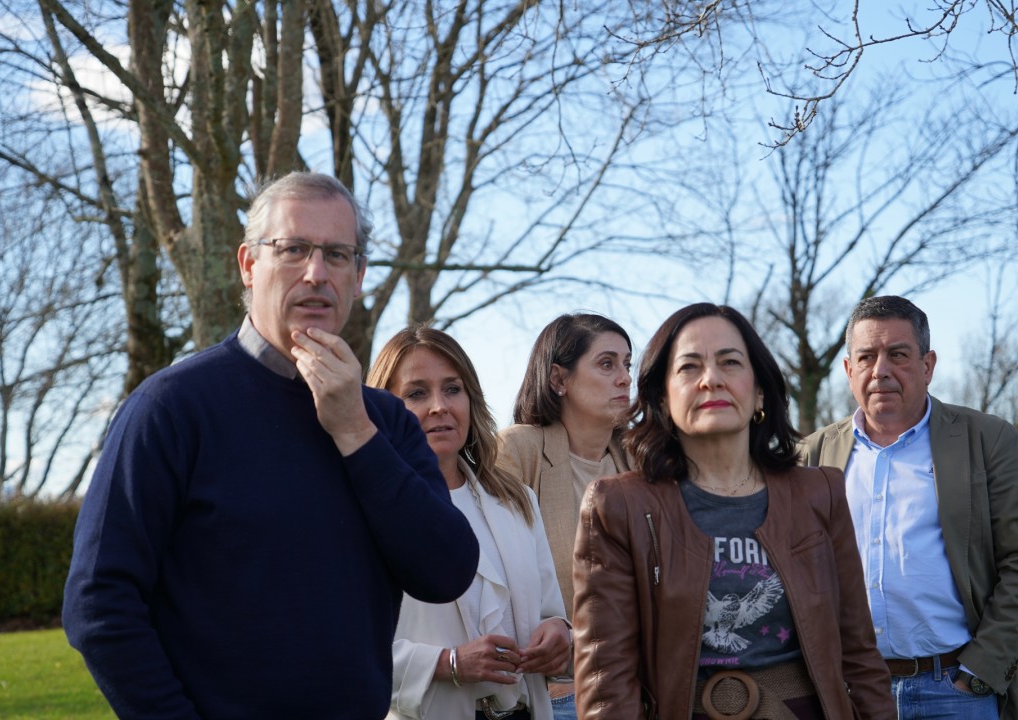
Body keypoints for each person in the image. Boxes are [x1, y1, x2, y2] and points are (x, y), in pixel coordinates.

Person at [62, 172, 479, 720]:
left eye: (336, 254)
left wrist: (355, 432)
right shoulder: (170, 408)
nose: (316, 273)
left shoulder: (385, 422)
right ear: (248, 264)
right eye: (292, 249)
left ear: (358, 276)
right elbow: (98, 601)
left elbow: (446, 571)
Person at [574, 302, 894, 720]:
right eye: (689, 367)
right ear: (663, 397)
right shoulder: (618, 506)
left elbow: (859, 655)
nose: (711, 379)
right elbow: (607, 683)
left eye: (730, 362)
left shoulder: (820, 493)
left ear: (759, 390)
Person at [799, 295, 1018, 720]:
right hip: (851, 694)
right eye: (866, 357)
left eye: (897, 355)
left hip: (955, 691)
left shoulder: (986, 440)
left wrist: (981, 670)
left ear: (928, 365)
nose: (880, 370)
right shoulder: (812, 454)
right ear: (848, 369)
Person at [369, 326, 570, 720]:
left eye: (452, 389)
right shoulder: (363, 511)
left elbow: (550, 613)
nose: (439, 406)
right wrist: (449, 663)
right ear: (384, 407)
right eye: (416, 393)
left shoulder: (518, 500)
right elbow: (345, 650)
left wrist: (559, 633)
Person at [496, 313, 633, 719]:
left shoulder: (639, 463)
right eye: (607, 364)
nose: (625, 378)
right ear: (559, 379)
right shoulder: (517, 450)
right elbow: (492, 578)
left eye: (628, 364)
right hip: (552, 695)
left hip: (633, 689)